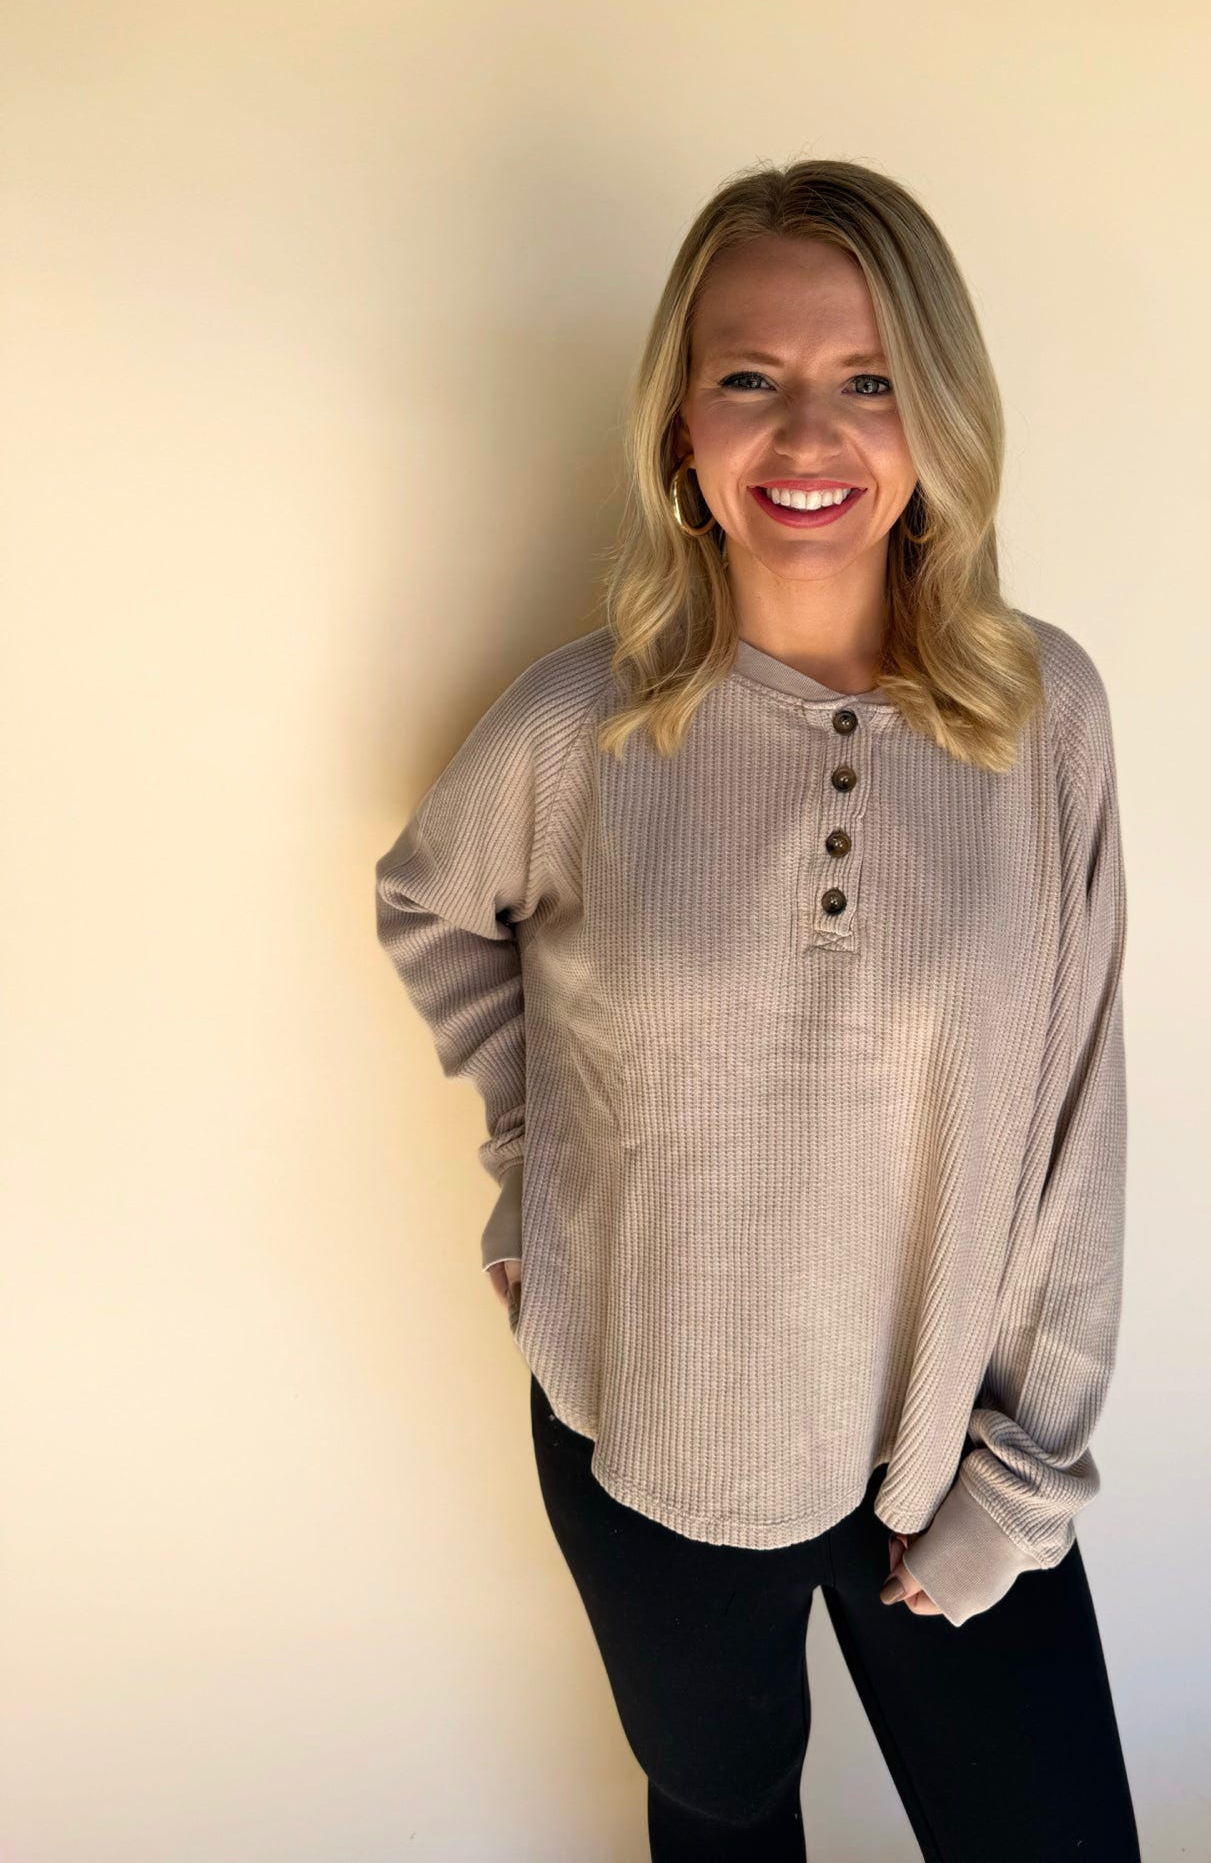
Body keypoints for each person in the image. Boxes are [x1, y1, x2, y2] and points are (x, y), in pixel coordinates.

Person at [374, 157, 1141, 1859]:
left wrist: (1018, 1485)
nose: (811, 438)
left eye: (869, 381)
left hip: (949, 1443)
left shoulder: (1044, 718)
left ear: (938, 416)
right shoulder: (586, 726)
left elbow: (1079, 1122)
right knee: (724, 1823)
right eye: (753, 379)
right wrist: (530, 1149)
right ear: (681, 429)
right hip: (656, 1424)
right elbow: (431, 904)